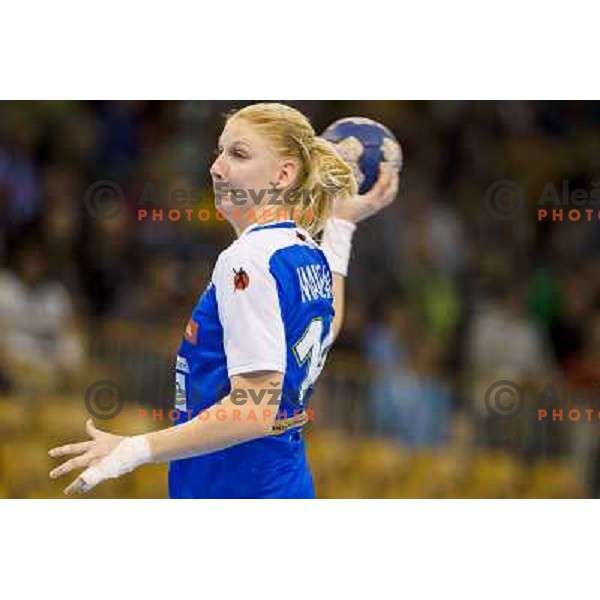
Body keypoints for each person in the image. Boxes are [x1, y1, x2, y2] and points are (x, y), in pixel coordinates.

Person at [48, 102, 399, 498]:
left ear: (284, 174)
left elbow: (254, 409)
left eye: (239, 153)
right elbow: (326, 328)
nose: (216, 167)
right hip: (283, 484)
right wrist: (341, 226)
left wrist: (133, 449)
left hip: (235, 489)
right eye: (219, 152)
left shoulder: (249, 258)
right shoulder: (303, 251)